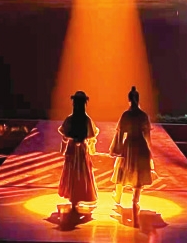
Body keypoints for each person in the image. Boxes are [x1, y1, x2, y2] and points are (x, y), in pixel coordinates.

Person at [109, 86, 154, 227]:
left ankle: (118, 195)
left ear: (128, 100)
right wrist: (149, 151)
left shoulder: (126, 115)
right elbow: (147, 136)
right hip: (140, 145)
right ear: (138, 99)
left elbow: (120, 133)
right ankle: (135, 200)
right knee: (138, 172)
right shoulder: (143, 115)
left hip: (129, 145)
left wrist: (117, 148)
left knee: (122, 168)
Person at [57, 91, 99, 214]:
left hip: (74, 150)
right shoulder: (86, 120)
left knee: (74, 172)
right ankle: (78, 195)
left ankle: (74, 196)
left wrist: (63, 149)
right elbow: (91, 137)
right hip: (80, 151)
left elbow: (65, 137)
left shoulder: (71, 119)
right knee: (81, 172)